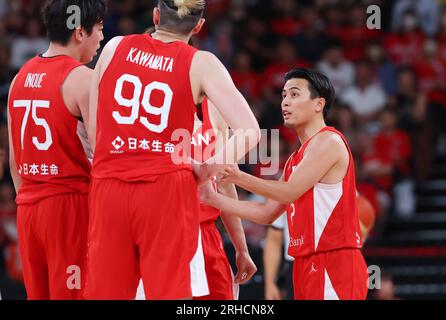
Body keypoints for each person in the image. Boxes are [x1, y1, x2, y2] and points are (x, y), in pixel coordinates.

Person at [85, 0, 260, 300]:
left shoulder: (113, 47)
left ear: (155, 15)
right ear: (198, 26)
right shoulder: (201, 62)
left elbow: (93, 128)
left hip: (109, 184)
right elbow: (250, 131)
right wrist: (206, 169)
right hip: (165, 190)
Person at [202, 68, 368, 300]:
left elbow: (289, 192)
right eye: (283, 96)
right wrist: (211, 198)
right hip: (303, 263)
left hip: (334, 260)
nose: (285, 102)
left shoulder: (329, 141)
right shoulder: (294, 160)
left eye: (294, 95)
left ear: (318, 104)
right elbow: (266, 213)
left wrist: (239, 177)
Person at [7, 0, 105, 299]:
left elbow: (14, 161)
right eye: (99, 29)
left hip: (28, 208)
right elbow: (104, 157)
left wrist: (32, 199)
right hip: (70, 207)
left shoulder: (19, 77)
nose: (101, 38)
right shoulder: (83, 79)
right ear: (79, 32)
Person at [135, 99, 257, 300]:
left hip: (206, 231)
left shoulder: (214, 111)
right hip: (164, 233)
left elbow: (225, 183)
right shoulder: (151, 107)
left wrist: (241, 249)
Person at [263, 212, 294, 300]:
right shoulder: (282, 199)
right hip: (294, 265)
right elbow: (273, 239)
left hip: (331, 259)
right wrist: (269, 284)